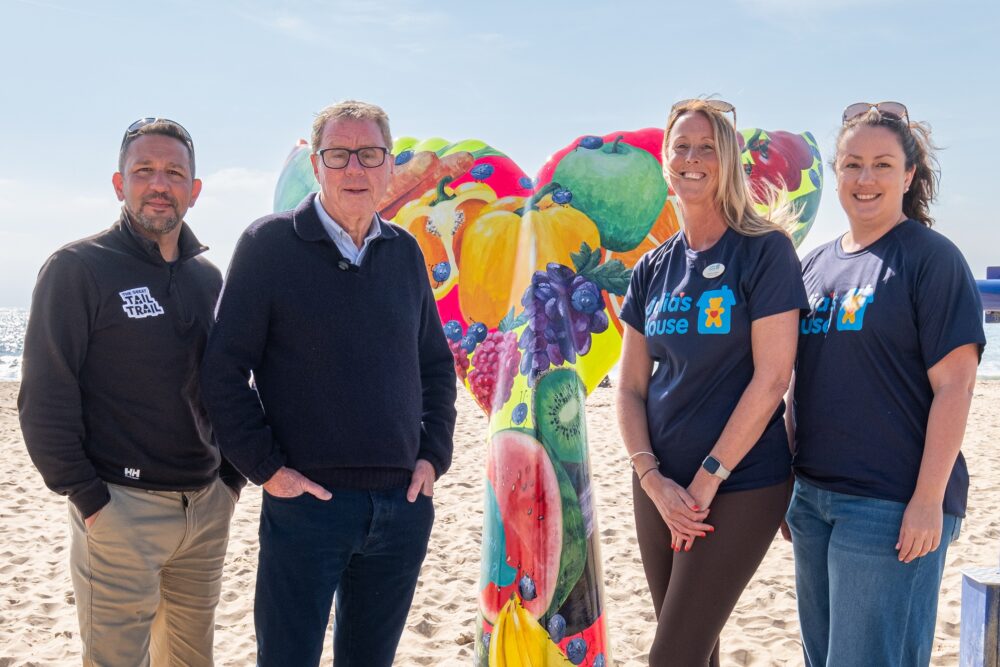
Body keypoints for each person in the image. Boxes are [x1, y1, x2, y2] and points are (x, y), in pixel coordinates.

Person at [199, 100, 457, 667]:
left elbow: (437, 367)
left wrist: (433, 456)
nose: (354, 169)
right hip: (306, 507)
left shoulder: (405, 252)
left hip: (401, 508)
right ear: (316, 165)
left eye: (369, 154)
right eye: (338, 155)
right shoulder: (269, 245)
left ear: (390, 165)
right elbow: (223, 369)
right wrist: (266, 469)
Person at [18, 118, 243, 666]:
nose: (159, 184)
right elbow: (45, 395)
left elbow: (228, 385)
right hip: (120, 509)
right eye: (144, 170)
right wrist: (89, 498)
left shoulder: (209, 279)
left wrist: (230, 482)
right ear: (120, 184)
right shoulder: (77, 269)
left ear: (195, 190)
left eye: (174, 173)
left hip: (205, 510)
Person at [786, 102, 985, 667]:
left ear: (908, 175)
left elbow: (956, 388)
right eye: (852, 164)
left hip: (891, 503)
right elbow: (796, 382)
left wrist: (926, 501)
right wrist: (791, 483)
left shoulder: (931, 259)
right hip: (813, 499)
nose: (865, 178)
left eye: (882, 164)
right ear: (836, 173)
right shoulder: (813, 265)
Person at [615, 98, 807, 666]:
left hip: (739, 482)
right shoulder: (653, 268)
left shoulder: (764, 251)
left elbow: (772, 380)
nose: (692, 159)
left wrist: (705, 481)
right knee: (695, 649)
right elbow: (628, 388)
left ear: (727, 161)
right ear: (665, 160)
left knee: (672, 656)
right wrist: (652, 478)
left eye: (707, 148)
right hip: (659, 486)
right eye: (681, 147)